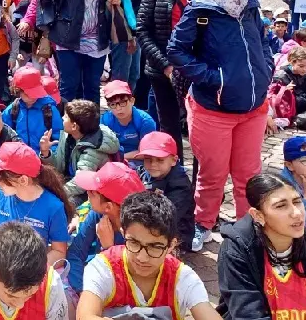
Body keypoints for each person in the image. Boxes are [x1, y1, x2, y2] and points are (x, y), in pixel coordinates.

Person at [167, 0, 273, 252]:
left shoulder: (251, 6)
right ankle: (203, 224)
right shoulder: (201, 10)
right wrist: (216, 79)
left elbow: (264, 44)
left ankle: (248, 231)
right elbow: (177, 51)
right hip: (213, 110)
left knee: (248, 176)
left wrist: (265, 69)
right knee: (212, 176)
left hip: (253, 108)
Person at [76, 191, 220, 320]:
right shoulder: (103, 267)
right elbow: (85, 315)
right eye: (134, 243)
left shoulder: (182, 278)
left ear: (171, 245)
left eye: (155, 247)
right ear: (122, 234)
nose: (142, 258)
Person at [217, 173, 306, 318]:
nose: (297, 213)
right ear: (258, 215)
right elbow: (248, 313)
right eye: (281, 206)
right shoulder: (237, 249)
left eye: (297, 202)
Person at [136, 0, 203, 161]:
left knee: (200, 132)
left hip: (198, 72)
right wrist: (166, 67)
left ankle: (200, 184)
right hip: (162, 70)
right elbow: (143, 31)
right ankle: (175, 178)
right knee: (169, 128)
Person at [0, 142, 73, 265]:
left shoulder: (53, 207)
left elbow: (59, 252)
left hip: (30, 271)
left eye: (1, 177)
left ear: (23, 180)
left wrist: (26, 271)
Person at [66, 162, 146, 294]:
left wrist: (109, 249)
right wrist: (83, 291)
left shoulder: (141, 232)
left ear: (108, 206)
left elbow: (133, 284)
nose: (87, 194)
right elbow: (75, 254)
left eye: (91, 193)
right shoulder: (98, 214)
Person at [41, 99, 119, 203]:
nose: (62, 118)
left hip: (89, 192)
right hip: (69, 182)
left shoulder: (93, 150)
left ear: (74, 126)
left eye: (66, 117)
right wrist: (46, 152)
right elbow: (59, 167)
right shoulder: (69, 136)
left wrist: (58, 192)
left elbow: (81, 184)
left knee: (58, 204)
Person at [135, 132, 195, 252]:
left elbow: (168, 217)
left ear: (174, 160)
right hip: (149, 221)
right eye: (148, 159)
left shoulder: (181, 185)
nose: (153, 164)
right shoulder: (143, 172)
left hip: (174, 233)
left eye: (160, 160)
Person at [4, 66, 63, 154]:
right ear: (18, 90)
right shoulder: (13, 109)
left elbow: (58, 138)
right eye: (29, 93)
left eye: (36, 92)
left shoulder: (49, 110)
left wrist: (48, 154)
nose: (33, 96)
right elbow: (4, 133)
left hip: (43, 159)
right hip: (19, 158)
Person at [99, 80, 156, 164]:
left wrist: (120, 158)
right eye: (113, 104)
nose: (118, 109)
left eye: (123, 102)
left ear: (132, 101)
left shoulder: (145, 121)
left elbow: (145, 153)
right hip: (112, 159)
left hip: (137, 161)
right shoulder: (105, 119)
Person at [271, 46, 306, 128]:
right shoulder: (282, 74)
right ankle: (300, 120)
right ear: (292, 62)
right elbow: (275, 94)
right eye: (301, 66)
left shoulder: (305, 74)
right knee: (301, 101)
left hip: (303, 100)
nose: (304, 69)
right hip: (291, 105)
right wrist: (285, 89)